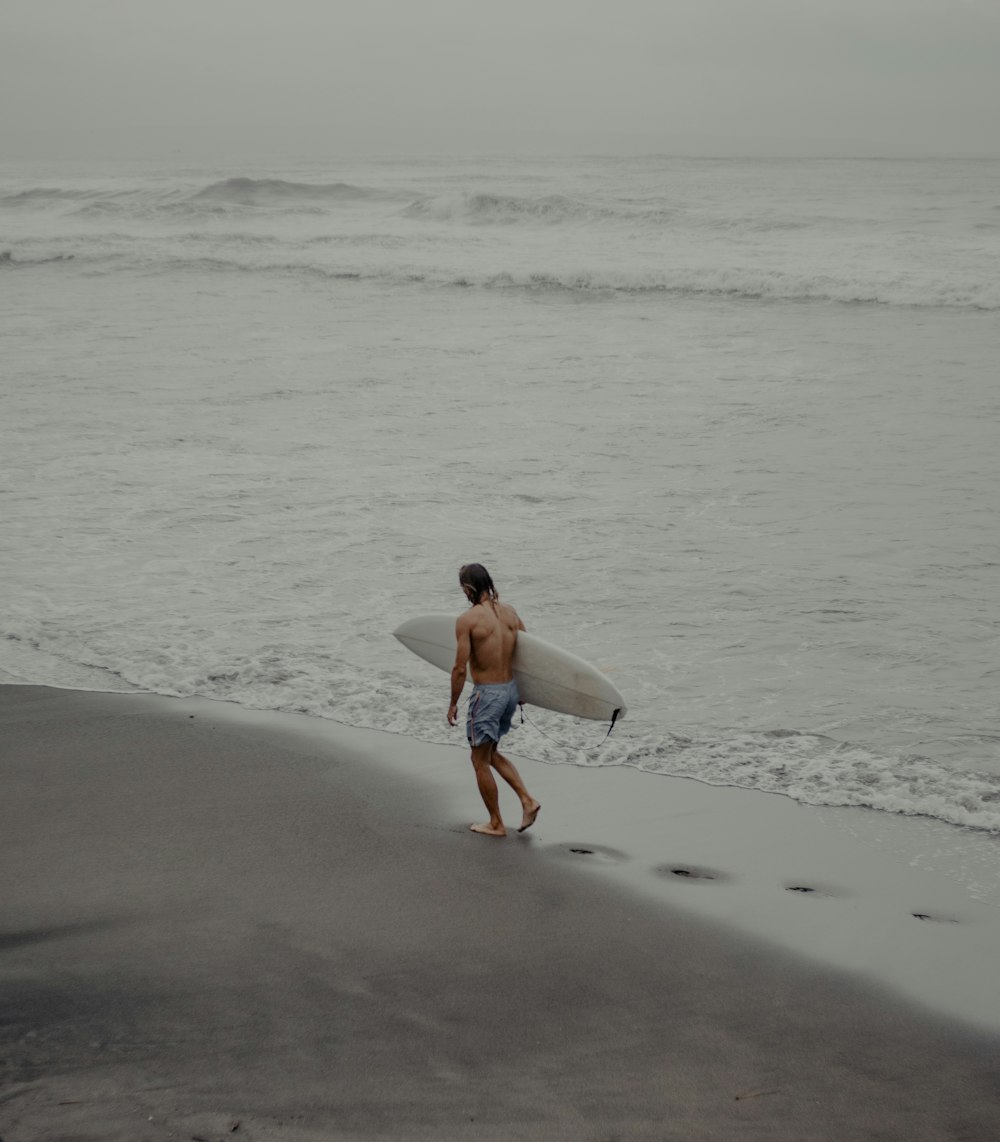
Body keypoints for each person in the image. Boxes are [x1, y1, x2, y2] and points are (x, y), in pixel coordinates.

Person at [447, 563, 541, 837]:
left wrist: (453, 703)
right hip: (510, 691)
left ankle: (496, 823)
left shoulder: (468, 620)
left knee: (478, 761)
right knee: (491, 754)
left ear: (468, 588)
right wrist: (526, 691)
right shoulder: (511, 613)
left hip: (487, 695)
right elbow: (528, 654)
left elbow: (460, 668)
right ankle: (527, 800)